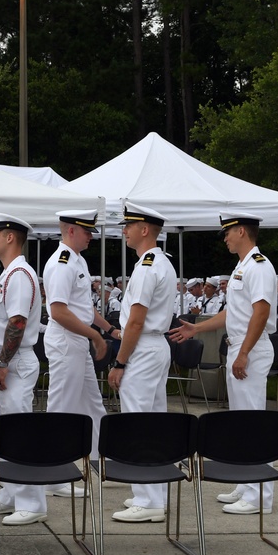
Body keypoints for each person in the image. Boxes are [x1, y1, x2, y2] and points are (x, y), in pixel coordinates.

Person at [170, 212, 278, 515]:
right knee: (241, 423)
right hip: (241, 349)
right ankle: (246, 484)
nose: (225, 238)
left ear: (241, 231)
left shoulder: (259, 266)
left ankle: (260, 495)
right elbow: (234, 312)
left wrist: (244, 352)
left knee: (253, 422)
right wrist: (197, 328)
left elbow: (260, 313)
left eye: (228, 233)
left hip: (251, 351)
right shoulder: (243, 267)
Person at [106, 203, 177, 523]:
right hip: (153, 346)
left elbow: (135, 322)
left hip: (143, 348)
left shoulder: (148, 266)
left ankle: (149, 500)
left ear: (145, 229)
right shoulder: (159, 262)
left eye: (129, 225)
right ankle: (152, 492)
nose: (125, 230)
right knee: (153, 422)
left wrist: (120, 363)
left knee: (138, 423)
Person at [42, 210, 115, 499]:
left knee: (92, 404)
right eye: (87, 231)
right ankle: (53, 473)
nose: (91, 236)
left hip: (78, 339)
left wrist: (108, 328)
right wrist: (95, 335)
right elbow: (58, 311)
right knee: (62, 408)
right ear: (71, 230)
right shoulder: (62, 263)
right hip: (66, 340)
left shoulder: (77, 260)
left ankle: (104, 461)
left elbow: (83, 307)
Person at [0, 214, 44, 525]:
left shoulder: (19, 274)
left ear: (9, 237)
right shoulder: (10, 273)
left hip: (15, 362)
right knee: (5, 432)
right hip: (4, 362)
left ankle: (32, 502)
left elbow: (18, 323)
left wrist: (1, 364)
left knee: (20, 432)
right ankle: (11, 493)